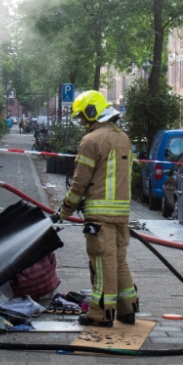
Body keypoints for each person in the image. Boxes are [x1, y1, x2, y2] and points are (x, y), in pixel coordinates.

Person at [58, 91, 138, 327]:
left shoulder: (91, 141)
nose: (82, 122)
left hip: (99, 216)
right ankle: (128, 309)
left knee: (102, 265)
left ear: (92, 111)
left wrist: (64, 209)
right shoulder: (123, 138)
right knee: (119, 261)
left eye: (82, 117)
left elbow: (79, 184)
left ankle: (101, 314)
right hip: (121, 214)